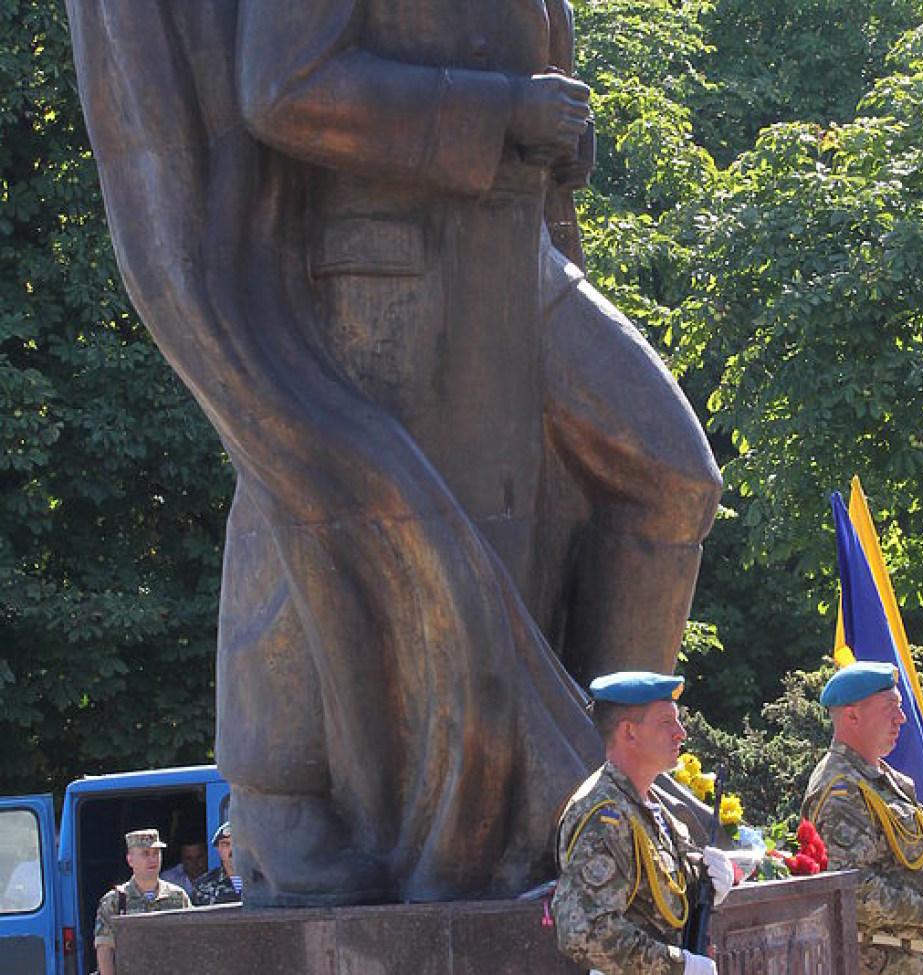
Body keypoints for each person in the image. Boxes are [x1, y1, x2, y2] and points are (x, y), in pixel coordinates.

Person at [66, 0, 720, 906]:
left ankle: (608, 782)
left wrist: (557, 136)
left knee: (671, 477)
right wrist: (500, 112)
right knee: (317, 490)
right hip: (378, 266)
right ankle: (279, 796)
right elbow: (285, 90)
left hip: (510, 250)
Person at [553, 672, 739, 975]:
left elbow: (654, 899)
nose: (681, 733)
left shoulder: (649, 805)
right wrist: (678, 966)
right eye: (667, 723)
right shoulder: (605, 814)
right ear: (629, 732)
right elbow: (584, 929)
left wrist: (704, 882)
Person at [802, 662, 923, 975]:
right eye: (890, 707)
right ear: (853, 715)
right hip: (869, 963)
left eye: (900, 707)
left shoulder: (883, 778)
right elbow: (852, 887)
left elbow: (898, 858)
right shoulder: (841, 787)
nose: (902, 718)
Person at [94, 829, 192, 975]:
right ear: (130, 860)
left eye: (156, 853)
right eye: (145, 854)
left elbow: (192, 941)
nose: (152, 859)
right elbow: (104, 949)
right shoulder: (115, 901)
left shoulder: (178, 897)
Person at [192, 822, 242, 906]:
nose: (232, 849)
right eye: (225, 844)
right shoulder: (202, 886)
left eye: (237, 843)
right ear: (218, 848)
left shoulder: (265, 881)